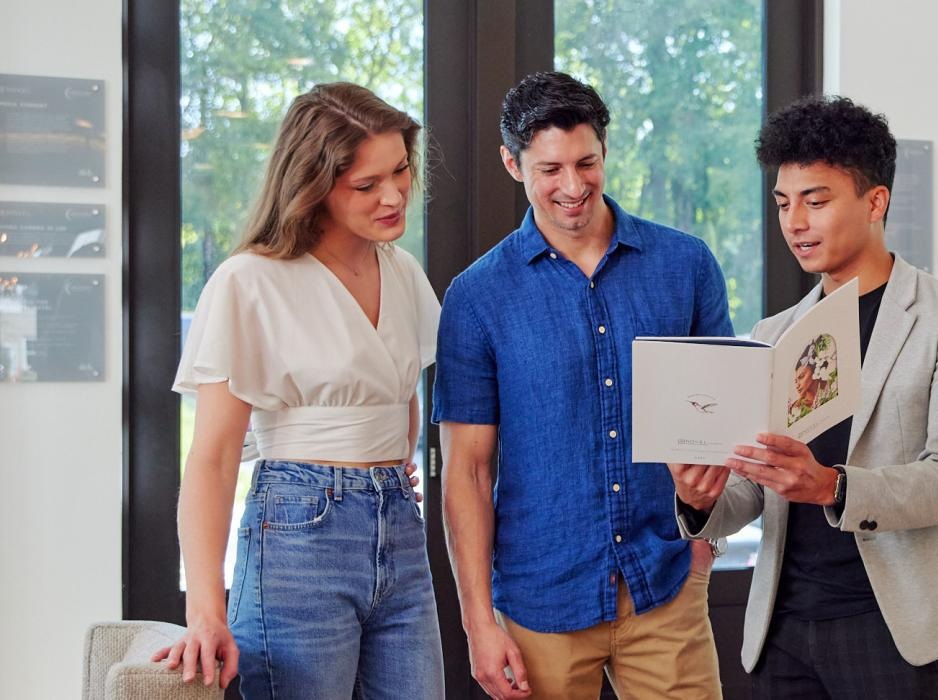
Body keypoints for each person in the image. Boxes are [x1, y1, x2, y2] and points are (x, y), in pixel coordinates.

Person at [671, 95, 938, 699]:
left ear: (875, 201)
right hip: (782, 632)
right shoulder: (773, 334)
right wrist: (699, 503)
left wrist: (831, 485)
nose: (794, 222)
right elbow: (752, 491)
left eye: (816, 201)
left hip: (893, 632)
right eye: (783, 203)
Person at [433, 71, 730, 700]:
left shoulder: (686, 265)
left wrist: (704, 541)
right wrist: (478, 623)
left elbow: (718, 420)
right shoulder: (476, 297)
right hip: (541, 600)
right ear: (512, 164)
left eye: (586, 162)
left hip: (664, 586)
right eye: (550, 170)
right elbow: (467, 471)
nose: (573, 187)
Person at [157, 82, 443, 697]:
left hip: (398, 528)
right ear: (313, 185)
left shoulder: (402, 271)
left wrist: (387, 464)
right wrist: (206, 610)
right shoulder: (250, 281)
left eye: (400, 171)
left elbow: (402, 389)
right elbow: (209, 458)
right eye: (367, 185)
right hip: (299, 532)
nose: (394, 195)